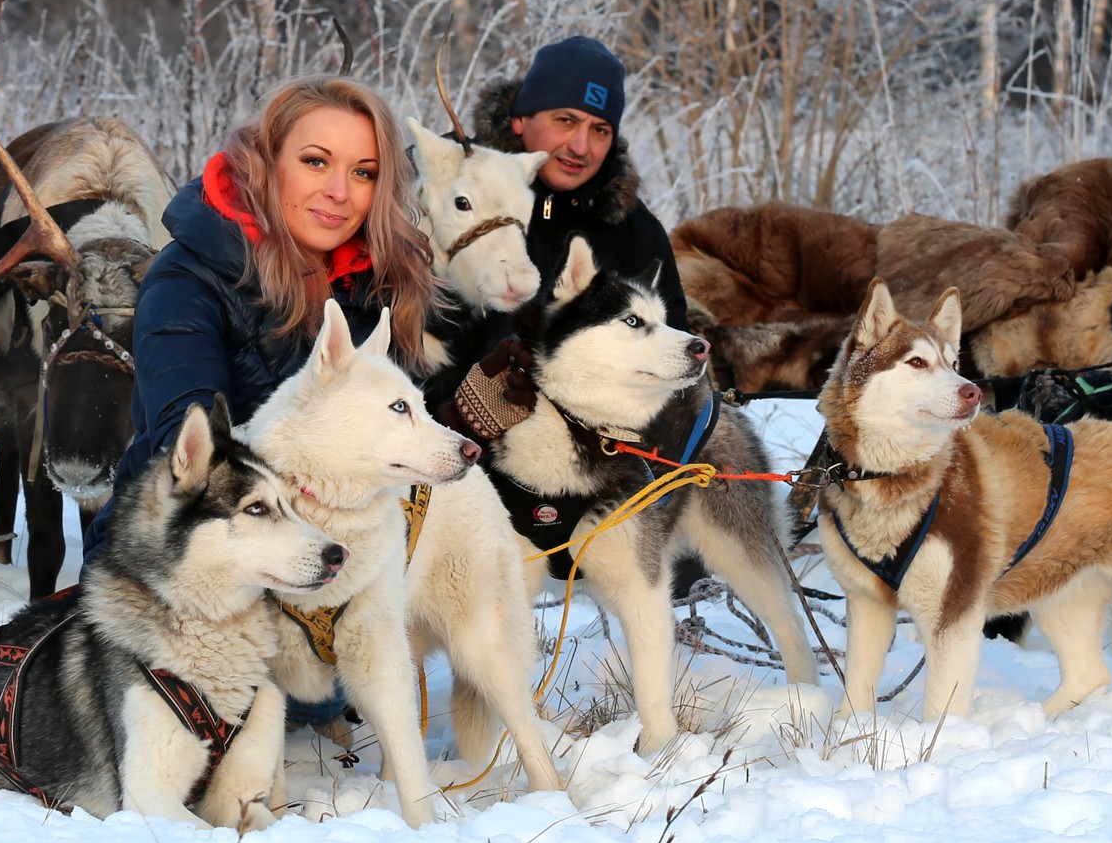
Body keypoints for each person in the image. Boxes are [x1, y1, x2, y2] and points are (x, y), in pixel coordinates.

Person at [86, 75, 440, 557]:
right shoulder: (188, 282)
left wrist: (483, 406)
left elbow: (410, 436)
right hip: (188, 562)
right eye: (316, 161)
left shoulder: (381, 281)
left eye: (364, 172)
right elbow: (195, 460)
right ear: (264, 164)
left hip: (343, 554)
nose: (340, 191)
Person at [436, 35, 694, 444]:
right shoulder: (453, 188)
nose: (580, 147)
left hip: (577, 451)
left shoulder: (632, 231)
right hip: (439, 432)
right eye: (566, 120)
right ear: (520, 120)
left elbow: (669, 355)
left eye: (600, 130)